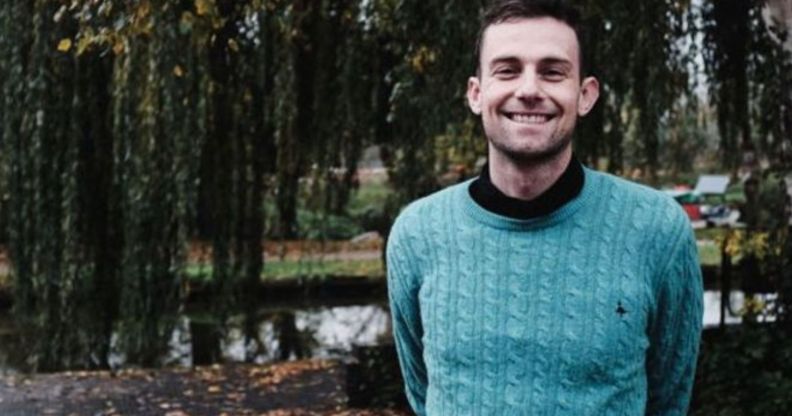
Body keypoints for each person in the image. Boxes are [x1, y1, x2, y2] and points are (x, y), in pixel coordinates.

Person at [386, 1, 704, 414]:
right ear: (476, 94)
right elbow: (421, 393)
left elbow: (669, 400)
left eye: (553, 72)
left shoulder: (657, 230)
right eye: (507, 70)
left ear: (585, 95)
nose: (530, 90)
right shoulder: (417, 234)